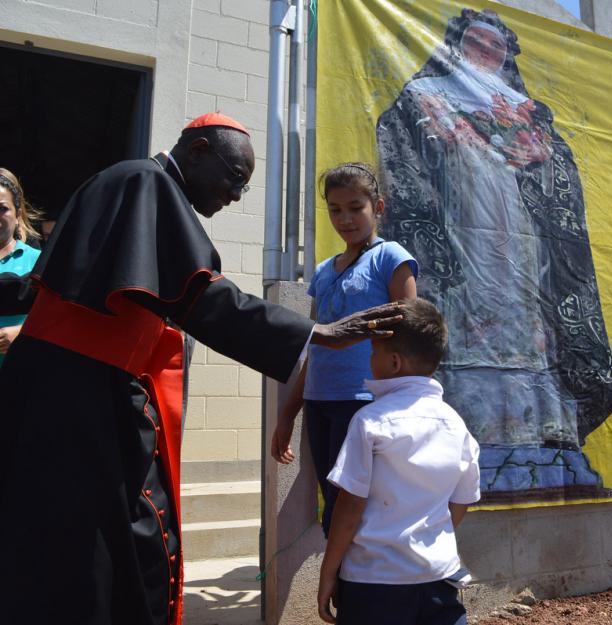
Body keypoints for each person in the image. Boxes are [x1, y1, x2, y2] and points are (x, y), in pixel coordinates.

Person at [0, 113, 403, 625]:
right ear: (197, 152)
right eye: (234, 177)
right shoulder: (145, 182)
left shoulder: (127, 183)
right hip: (86, 401)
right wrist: (318, 332)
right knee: (107, 541)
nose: (236, 195)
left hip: (72, 395)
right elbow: (203, 299)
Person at [376, 8, 612, 499]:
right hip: (463, 244)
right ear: (454, 47)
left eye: (496, 48)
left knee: (532, 335)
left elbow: (561, 176)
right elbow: (399, 159)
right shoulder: (426, 97)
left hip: (528, 254)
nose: (486, 54)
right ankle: (471, 449)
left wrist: (546, 162)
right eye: (476, 44)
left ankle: (544, 450)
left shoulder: (526, 110)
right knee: (470, 331)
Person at [271, 162, 417, 536]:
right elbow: (314, 348)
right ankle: (341, 591)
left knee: (361, 508)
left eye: (355, 208)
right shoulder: (322, 271)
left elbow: (409, 336)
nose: (345, 218)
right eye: (335, 209)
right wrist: (288, 415)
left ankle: (361, 590)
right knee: (334, 504)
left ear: (378, 207)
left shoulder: (390, 258)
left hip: (366, 403)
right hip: (320, 403)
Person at [315, 298, 480, 625]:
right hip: (438, 579)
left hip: (373, 584)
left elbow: (349, 508)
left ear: (393, 363)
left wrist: (328, 573)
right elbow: (459, 505)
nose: (370, 359)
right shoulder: (457, 425)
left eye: (373, 352)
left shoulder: (369, 421)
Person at [0, 168, 41, 367]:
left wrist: (22, 332)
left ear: (18, 214)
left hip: (20, 382)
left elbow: (61, 319)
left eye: (2, 208)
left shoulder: (40, 262)